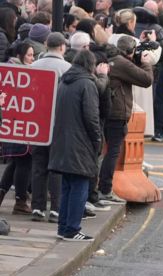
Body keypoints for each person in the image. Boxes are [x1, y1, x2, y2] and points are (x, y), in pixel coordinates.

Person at [48, 50, 103, 242]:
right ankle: (72, 229)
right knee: (80, 186)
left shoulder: (64, 81)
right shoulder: (87, 83)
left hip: (63, 140)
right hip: (80, 142)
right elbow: (91, 116)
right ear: (91, 64)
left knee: (67, 187)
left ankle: (63, 227)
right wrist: (97, 140)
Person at [97, 33, 154, 203]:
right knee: (113, 151)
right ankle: (105, 190)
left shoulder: (110, 59)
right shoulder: (121, 63)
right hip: (117, 113)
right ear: (131, 51)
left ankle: (99, 188)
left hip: (106, 111)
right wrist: (146, 63)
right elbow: (146, 80)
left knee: (102, 151)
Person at [29, 32, 71, 223]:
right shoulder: (67, 68)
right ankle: (55, 208)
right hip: (59, 124)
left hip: (37, 123)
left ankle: (37, 207)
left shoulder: (33, 66)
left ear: (46, 46)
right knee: (57, 167)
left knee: (38, 166)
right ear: (62, 47)